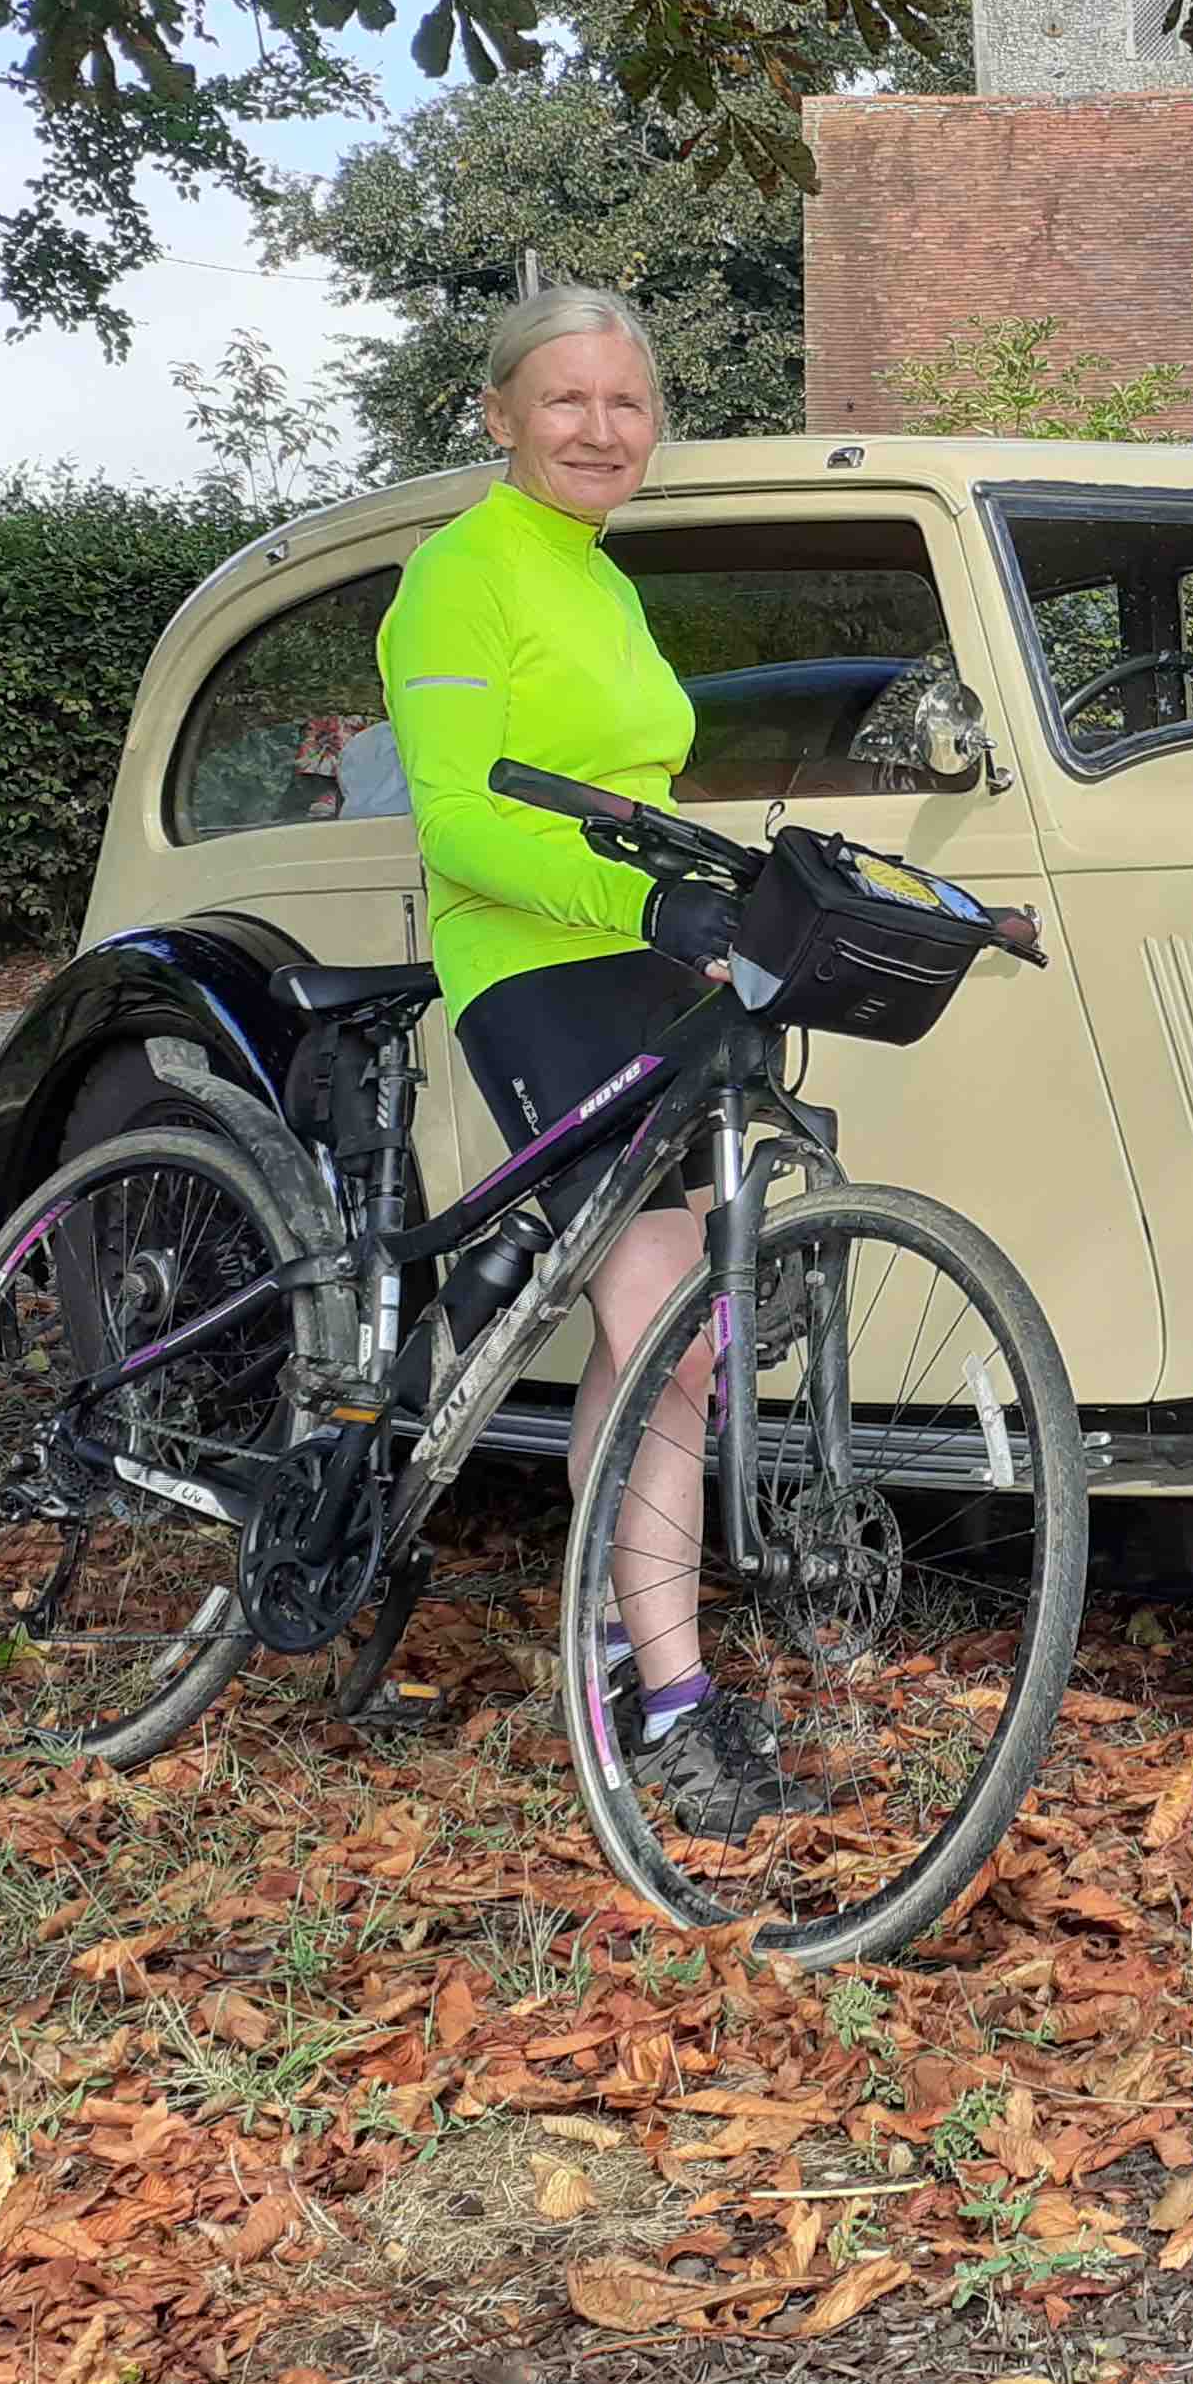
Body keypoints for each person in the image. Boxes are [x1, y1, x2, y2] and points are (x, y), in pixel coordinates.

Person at [376, 285, 814, 1836]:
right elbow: (463, 824)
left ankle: (635, 1643)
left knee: (664, 1343)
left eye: (627, 405)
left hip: (641, 957)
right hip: (533, 963)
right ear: (498, 414)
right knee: (668, 1327)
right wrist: (636, 894)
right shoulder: (458, 576)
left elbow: (628, 789)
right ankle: (668, 1696)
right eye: (566, 401)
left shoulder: (605, 579)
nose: (600, 430)